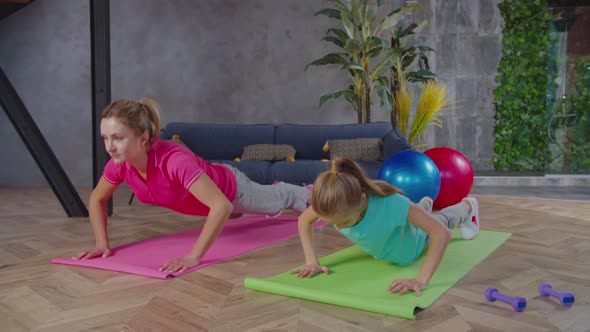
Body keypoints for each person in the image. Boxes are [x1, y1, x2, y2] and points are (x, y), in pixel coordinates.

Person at [74, 98, 310, 273]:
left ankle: (302, 191)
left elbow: (222, 206)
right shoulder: (119, 164)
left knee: (278, 200)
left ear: (143, 138)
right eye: (105, 137)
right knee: (230, 213)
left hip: (232, 189)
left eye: (117, 138)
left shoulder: (174, 161)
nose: (109, 146)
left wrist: (193, 257)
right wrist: (101, 244)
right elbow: (97, 199)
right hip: (212, 198)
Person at [292, 157, 480, 296]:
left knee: (442, 220)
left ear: (362, 200)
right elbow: (303, 220)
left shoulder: (391, 203)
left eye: (345, 223)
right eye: (333, 224)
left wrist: (421, 280)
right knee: (414, 214)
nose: (340, 228)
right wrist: (312, 261)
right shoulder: (332, 205)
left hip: (414, 242)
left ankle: (467, 206)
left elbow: (442, 234)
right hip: (398, 230)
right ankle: (423, 207)